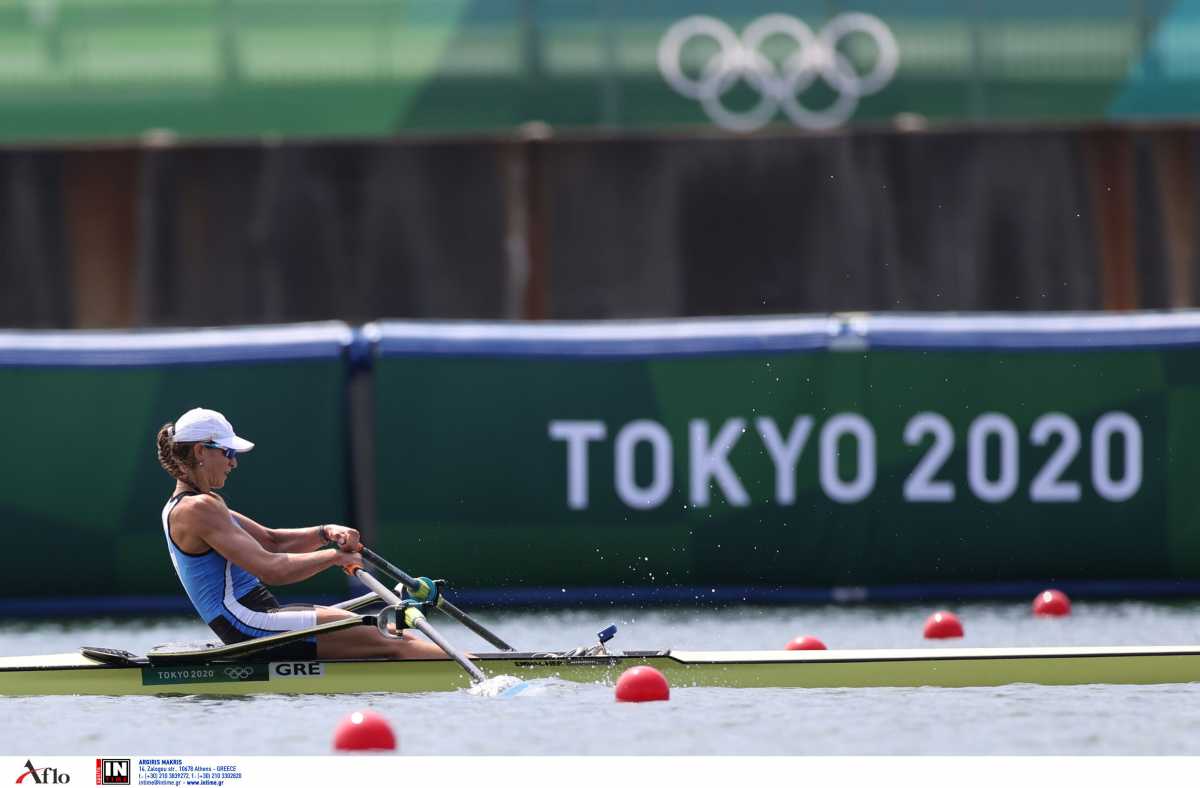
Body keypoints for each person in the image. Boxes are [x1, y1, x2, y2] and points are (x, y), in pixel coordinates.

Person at [156, 407, 446, 660]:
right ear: (200, 451)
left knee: (391, 630)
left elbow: (272, 540)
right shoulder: (197, 509)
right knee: (391, 639)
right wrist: (334, 557)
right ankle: (485, 671)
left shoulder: (197, 505)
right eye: (228, 452)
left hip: (259, 617)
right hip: (250, 624)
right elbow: (273, 569)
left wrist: (326, 532)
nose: (233, 462)